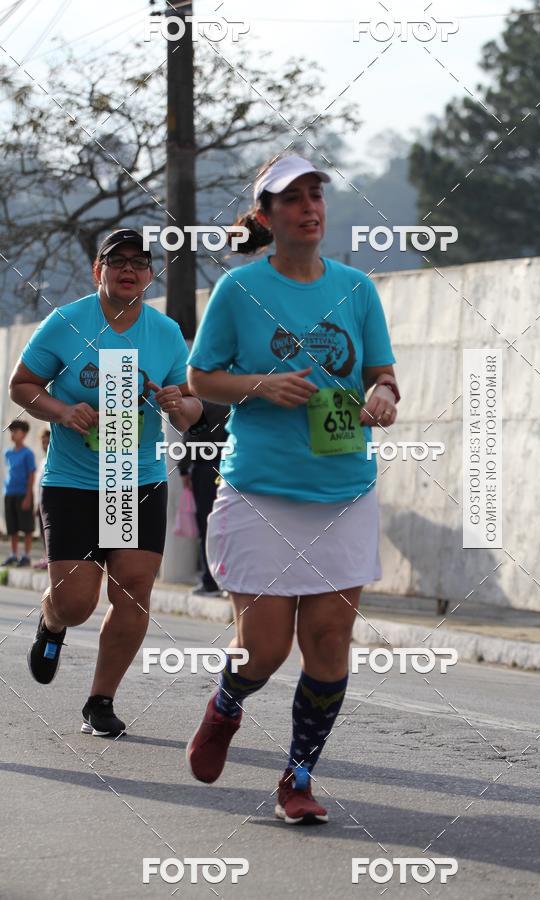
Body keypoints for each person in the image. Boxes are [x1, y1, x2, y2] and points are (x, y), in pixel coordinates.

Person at [186, 155, 400, 824]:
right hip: (262, 491)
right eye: (293, 198)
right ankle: (227, 705)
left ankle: (298, 777)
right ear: (266, 216)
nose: (310, 207)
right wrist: (261, 385)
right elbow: (200, 378)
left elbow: (383, 374)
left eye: (316, 195)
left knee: (330, 643)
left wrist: (383, 396)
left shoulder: (356, 289)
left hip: (343, 489)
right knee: (265, 649)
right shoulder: (239, 290)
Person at [9, 228, 202, 736]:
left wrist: (178, 404)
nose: (129, 269)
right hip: (73, 481)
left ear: (150, 274)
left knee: (133, 590)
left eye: (140, 262)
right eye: (118, 261)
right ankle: (52, 622)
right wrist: (62, 410)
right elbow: (21, 385)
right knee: (76, 603)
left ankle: (100, 699)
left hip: (133, 478)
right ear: (99, 270)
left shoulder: (164, 332)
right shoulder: (67, 322)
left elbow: (190, 407)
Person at [177, 400, 229, 594]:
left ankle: (210, 581)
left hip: (205, 469)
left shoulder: (199, 403)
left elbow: (190, 438)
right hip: (230, 467)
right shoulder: (234, 401)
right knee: (229, 526)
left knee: (206, 525)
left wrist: (184, 469)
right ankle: (227, 580)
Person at [2, 419, 36, 567]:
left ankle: (26, 556)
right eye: (11, 431)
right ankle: (13, 554)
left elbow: (31, 475)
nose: (13, 434)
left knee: (27, 527)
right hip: (10, 493)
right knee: (12, 527)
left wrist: (28, 496)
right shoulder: (7, 453)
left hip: (23, 494)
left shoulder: (28, 453)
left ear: (24, 434)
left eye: (16, 431)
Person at [33, 428, 50, 569]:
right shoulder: (42, 461)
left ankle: (50, 559)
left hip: (50, 501)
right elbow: (37, 485)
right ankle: (45, 557)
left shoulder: (53, 460)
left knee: (49, 533)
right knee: (42, 532)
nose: (44, 445)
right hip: (40, 502)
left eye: (47, 442)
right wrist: (36, 503)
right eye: (43, 442)